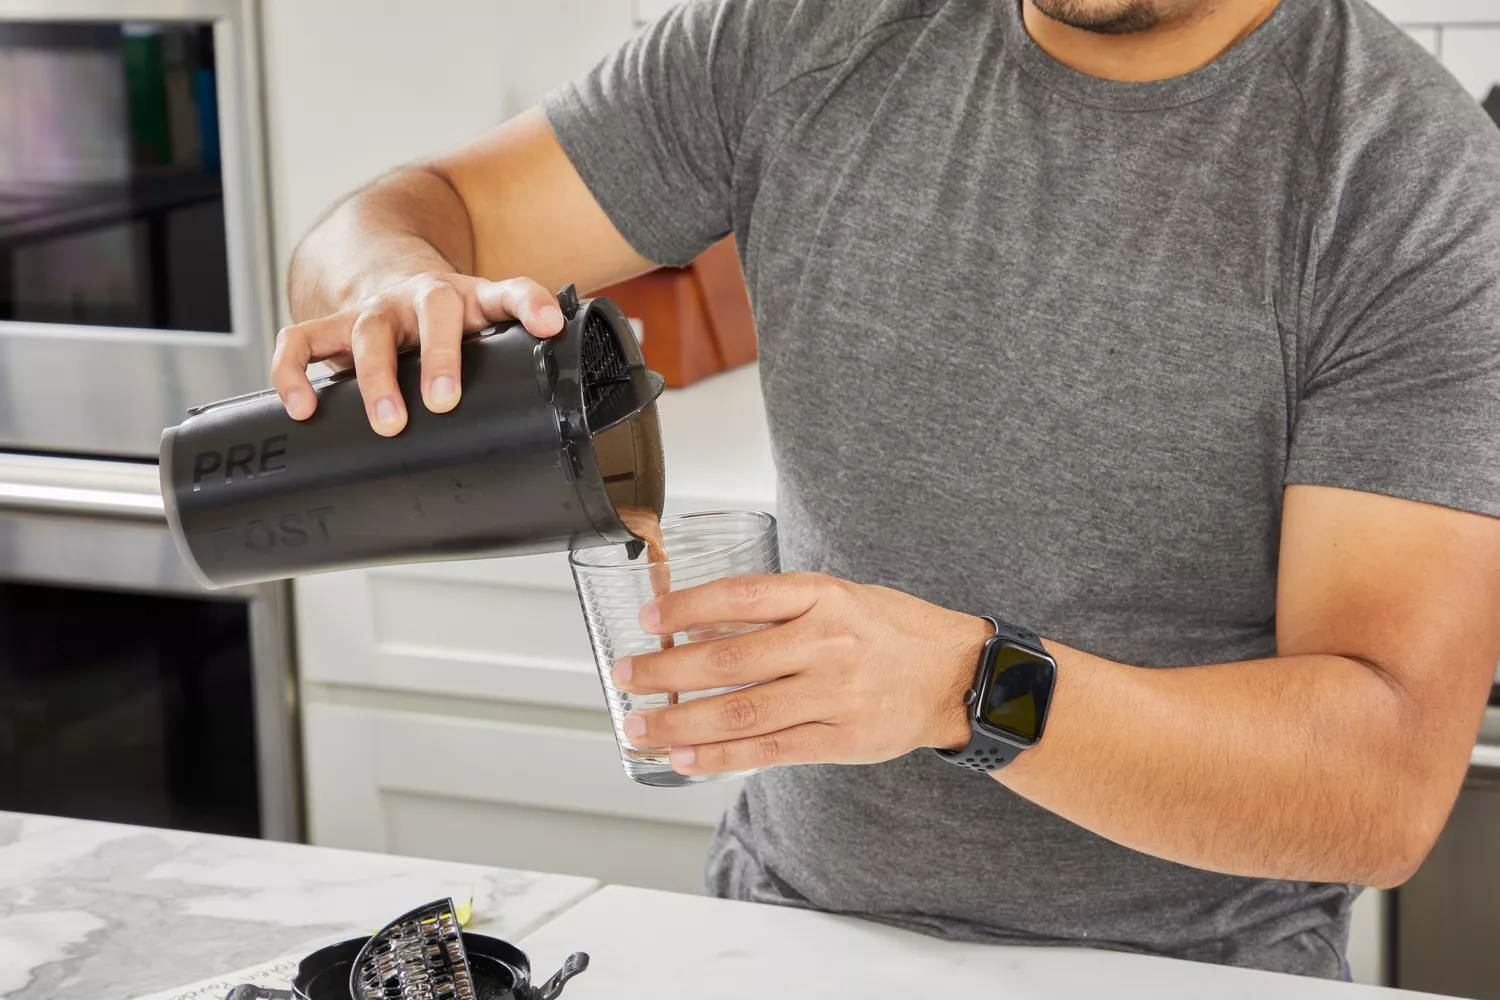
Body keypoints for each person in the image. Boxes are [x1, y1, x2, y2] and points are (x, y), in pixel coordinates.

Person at [275, 0, 1500, 980]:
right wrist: (385, 281)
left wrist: (967, 685)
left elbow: (1378, 783)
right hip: (788, 933)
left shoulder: (1410, 182)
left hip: (1184, 968)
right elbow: (405, 215)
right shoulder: (808, 34)